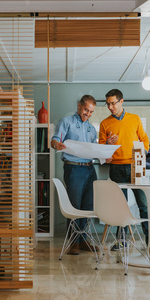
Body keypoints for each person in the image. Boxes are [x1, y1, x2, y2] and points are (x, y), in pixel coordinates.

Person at [99, 89, 150, 242]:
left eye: (113, 103)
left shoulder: (135, 119)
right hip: (116, 168)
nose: (110, 107)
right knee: (120, 206)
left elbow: (145, 140)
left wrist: (142, 153)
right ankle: (121, 241)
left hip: (136, 165)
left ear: (121, 101)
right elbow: (101, 149)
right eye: (108, 104)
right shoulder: (105, 123)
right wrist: (107, 144)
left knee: (143, 205)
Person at [51, 95, 99, 255]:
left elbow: (94, 149)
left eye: (91, 112)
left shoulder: (92, 129)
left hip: (90, 169)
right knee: (74, 206)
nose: (88, 114)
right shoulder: (67, 122)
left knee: (88, 206)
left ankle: (84, 240)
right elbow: (55, 139)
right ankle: (73, 242)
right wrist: (56, 144)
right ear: (79, 106)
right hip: (74, 169)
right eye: (86, 110)